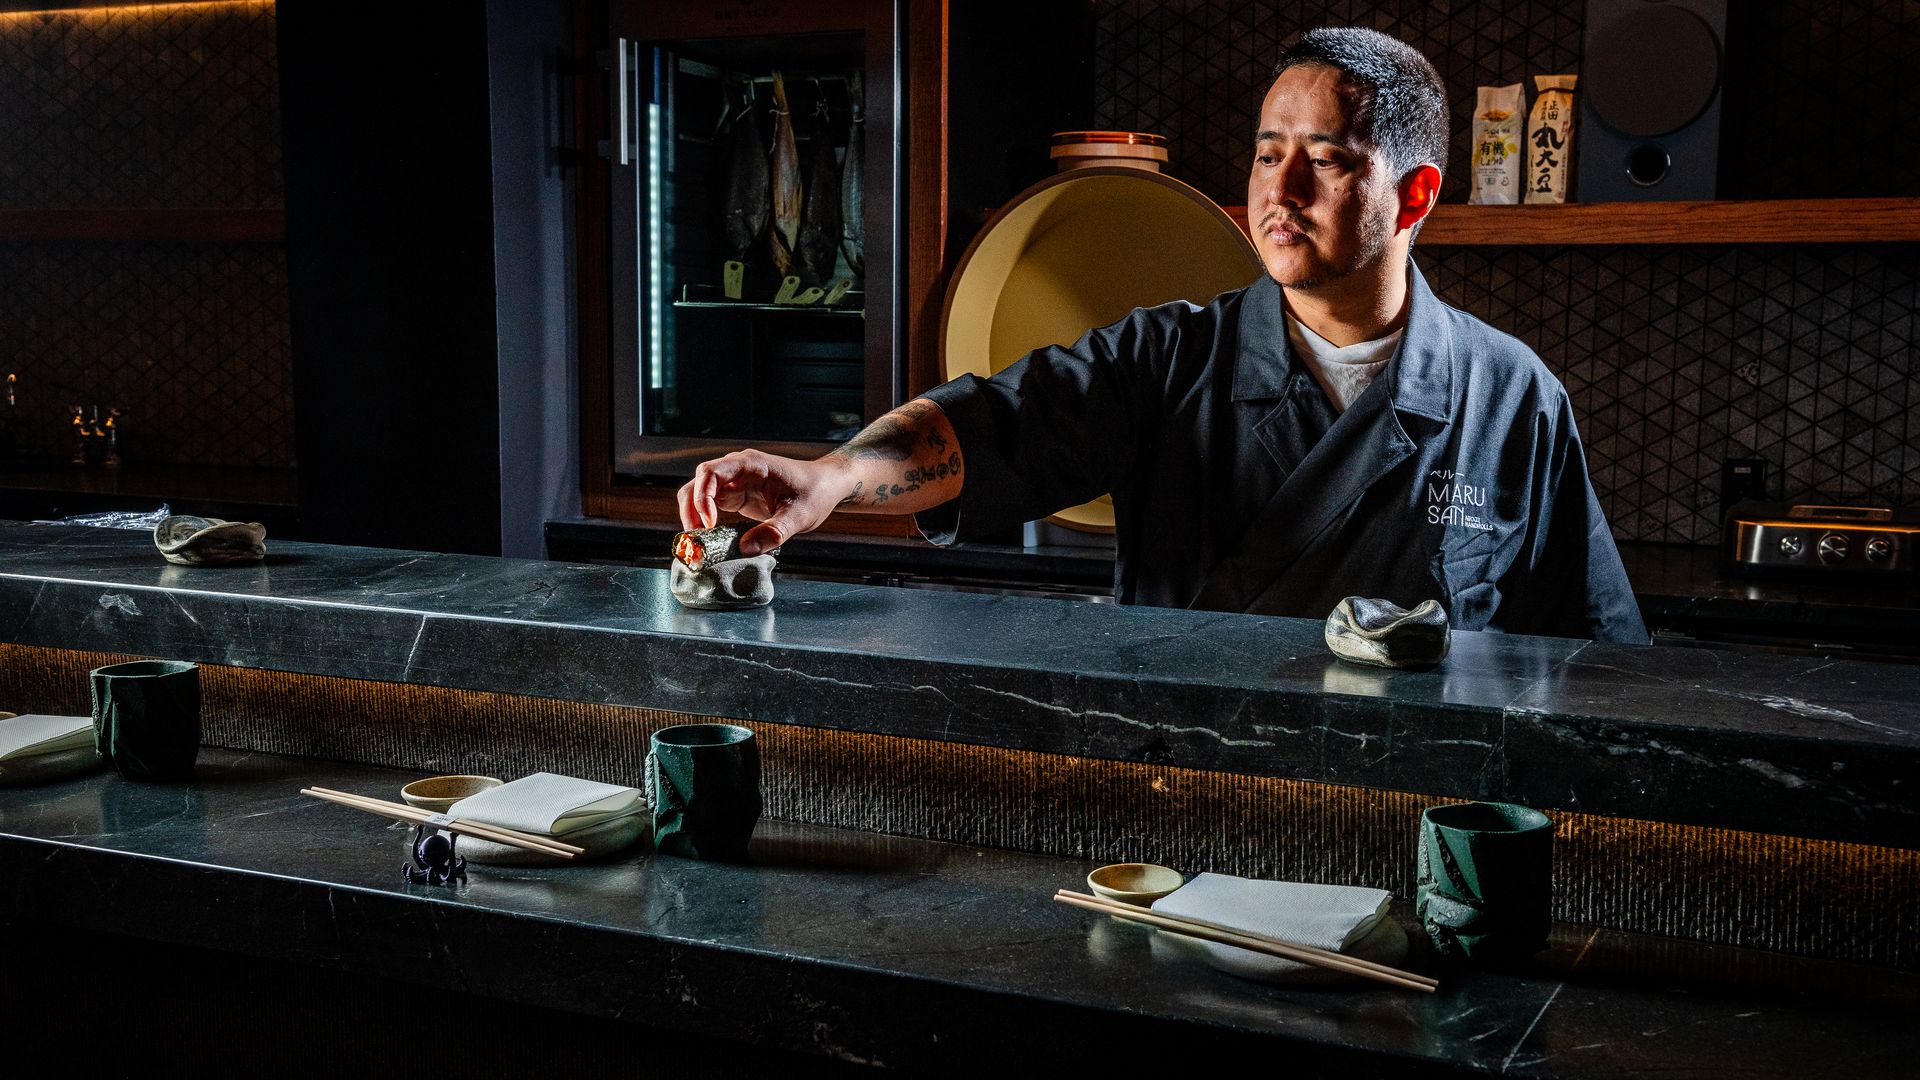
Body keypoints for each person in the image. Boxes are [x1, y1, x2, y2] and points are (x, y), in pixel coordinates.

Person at [679, 27, 1648, 643]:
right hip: (1191, 808)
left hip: (1414, 829)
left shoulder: (1511, 397)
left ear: (1417, 195)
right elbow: (991, 427)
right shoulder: (1168, 358)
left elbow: (1597, 664)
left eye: (1327, 161)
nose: (1282, 189)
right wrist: (832, 479)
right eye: (1269, 154)